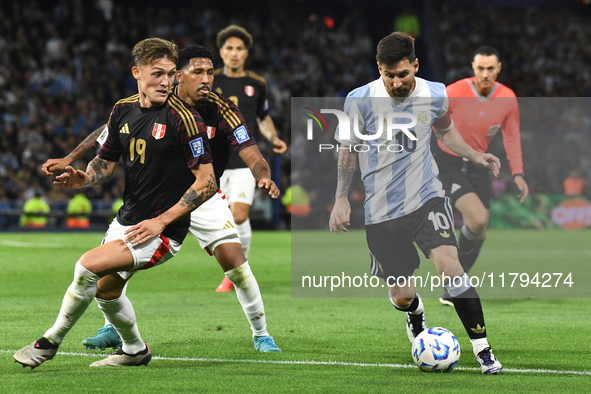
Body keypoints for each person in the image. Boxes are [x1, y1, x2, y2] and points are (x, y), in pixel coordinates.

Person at [42, 44, 282, 353]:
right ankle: (112, 329)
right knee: (113, 268)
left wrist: (262, 173)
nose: (207, 79)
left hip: (202, 194)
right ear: (179, 76)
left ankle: (261, 334)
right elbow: (109, 131)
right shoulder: (153, 103)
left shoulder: (221, 108)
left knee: (235, 264)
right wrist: (72, 157)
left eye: (210, 72)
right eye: (199, 72)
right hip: (156, 196)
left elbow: (251, 151)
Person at [14, 37, 217, 369]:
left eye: (170, 74)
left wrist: (162, 222)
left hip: (161, 230)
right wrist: (83, 178)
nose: (165, 82)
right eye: (156, 74)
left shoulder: (185, 119)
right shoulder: (122, 110)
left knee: (87, 266)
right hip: (127, 220)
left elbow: (206, 182)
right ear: (137, 73)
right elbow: (104, 163)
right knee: (106, 292)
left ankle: (48, 343)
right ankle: (135, 350)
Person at [328, 32, 503, 374]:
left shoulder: (435, 94)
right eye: (388, 75)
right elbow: (347, 151)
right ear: (379, 69)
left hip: (426, 197)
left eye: (403, 74)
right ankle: (415, 314)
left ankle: (483, 350)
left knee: (451, 268)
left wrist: (474, 154)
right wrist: (340, 199)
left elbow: (445, 131)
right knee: (402, 296)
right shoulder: (359, 99)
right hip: (381, 210)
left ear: (415, 66)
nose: (396, 82)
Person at [434, 46, 528, 306]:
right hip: (446, 162)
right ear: (473, 68)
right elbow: (428, 122)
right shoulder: (452, 92)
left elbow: (511, 136)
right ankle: (456, 284)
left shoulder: (507, 98)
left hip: (478, 165)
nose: (485, 73)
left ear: (499, 69)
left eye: (490, 68)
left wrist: (518, 173)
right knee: (477, 218)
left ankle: (451, 287)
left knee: (480, 231)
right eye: (480, 68)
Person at [213, 25, 288, 292]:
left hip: (245, 160)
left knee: (239, 215)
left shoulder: (256, 84)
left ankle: (235, 273)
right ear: (221, 52)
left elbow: (262, 117)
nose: (234, 54)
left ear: (246, 53)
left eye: (239, 49)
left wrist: (273, 137)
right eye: (229, 48)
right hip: (214, 162)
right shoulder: (210, 81)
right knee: (219, 221)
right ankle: (232, 267)